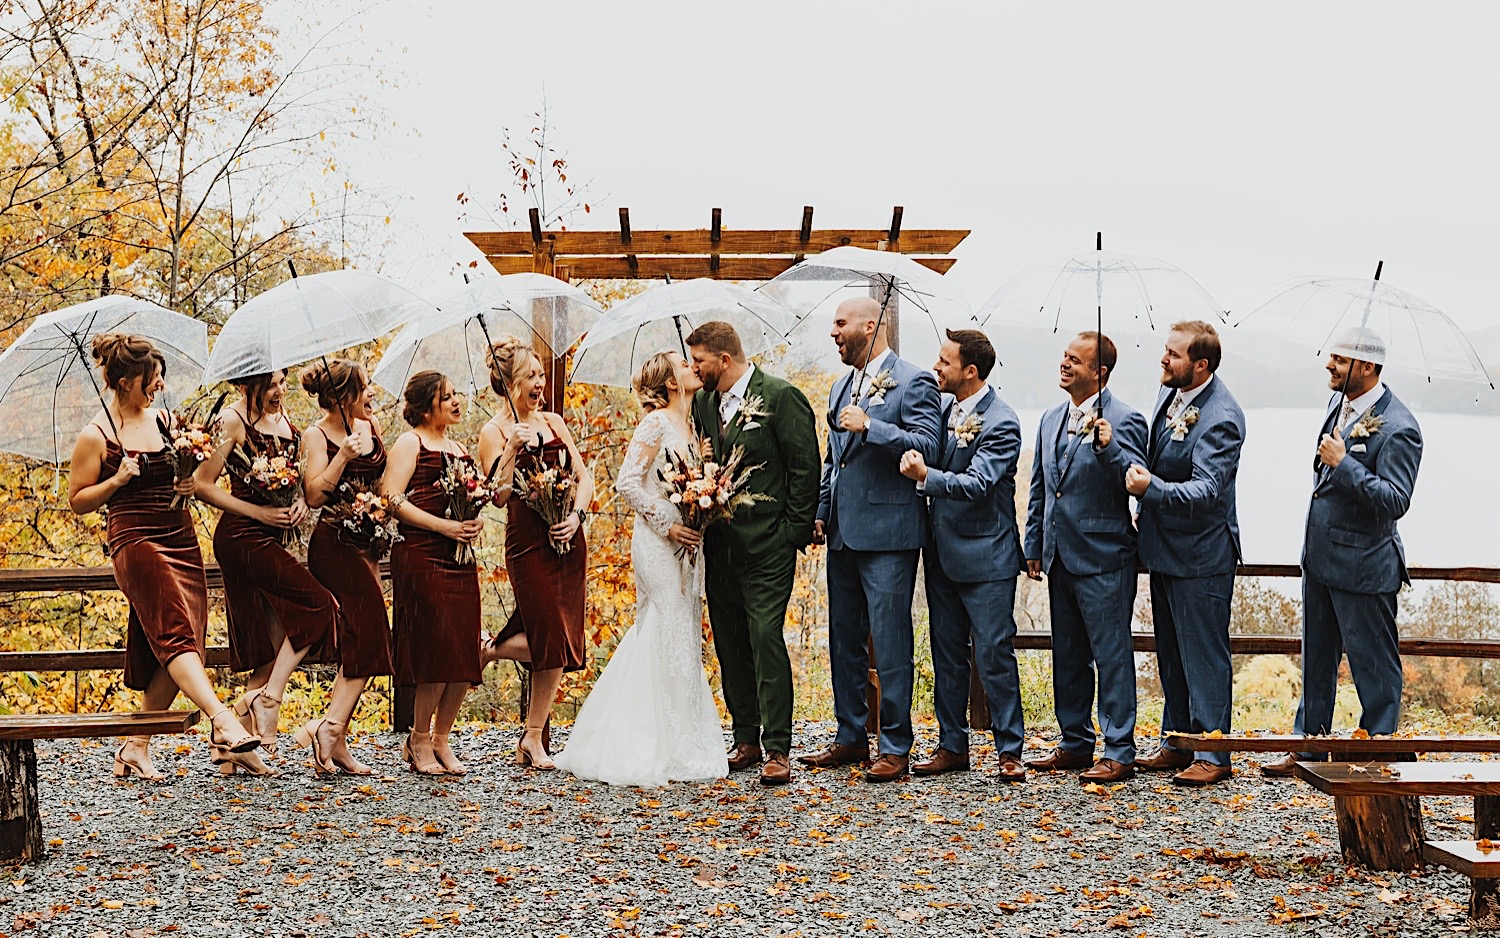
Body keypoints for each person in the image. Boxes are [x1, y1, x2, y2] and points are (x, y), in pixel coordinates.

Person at [67, 333, 265, 778]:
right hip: (135, 539)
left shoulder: (164, 420)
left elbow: (190, 470)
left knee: (183, 640)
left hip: (179, 533)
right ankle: (223, 721)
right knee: (176, 631)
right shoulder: (95, 435)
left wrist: (186, 479)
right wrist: (116, 480)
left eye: (158, 379)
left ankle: (135, 747)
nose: (157, 386)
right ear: (123, 381)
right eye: (149, 379)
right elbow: (77, 499)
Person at [553, 352, 728, 786]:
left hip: (688, 541)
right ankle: (650, 743)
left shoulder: (691, 426)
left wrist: (704, 471)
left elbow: (684, 480)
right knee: (665, 623)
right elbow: (628, 482)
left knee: (682, 627)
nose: (694, 368)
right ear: (671, 381)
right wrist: (668, 526)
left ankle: (682, 739)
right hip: (658, 541)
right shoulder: (654, 424)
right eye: (685, 365)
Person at [1263, 330, 1422, 777]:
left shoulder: (1401, 427)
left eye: (1338, 359)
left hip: (1365, 565)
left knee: (1374, 665)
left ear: (1367, 367)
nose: (1328, 365)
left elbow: (1395, 500)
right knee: (1317, 660)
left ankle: (1377, 750)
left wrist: (1345, 463)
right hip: (1320, 560)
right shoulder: (1339, 408)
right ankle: (1308, 747)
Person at [802, 297, 942, 783]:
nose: (834, 333)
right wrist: (821, 513)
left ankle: (896, 745)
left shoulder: (915, 379)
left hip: (888, 534)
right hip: (842, 532)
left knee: (890, 639)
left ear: (870, 324)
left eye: (839, 323)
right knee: (844, 641)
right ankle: (849, 737)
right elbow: (832, 461)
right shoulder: (841, 385)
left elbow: (929, 444)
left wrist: (874, 426)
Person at [686, 321, 820, 787]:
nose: (693, 368)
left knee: (764, 636)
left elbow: (805, 468)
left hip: (769, 546)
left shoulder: (781, 397)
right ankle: (745, 737)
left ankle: (778, 747)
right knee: (729, 641)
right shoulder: (702, 403)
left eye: (698, 360)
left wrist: (791, 533)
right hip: (719, 546)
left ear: (724, 360)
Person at [898, 329, 1027, 782]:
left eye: (944, 362)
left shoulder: (1003, 421)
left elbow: (976, 485)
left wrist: (925, 475)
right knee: (946, 653)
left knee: (993, 653)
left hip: (987, 557)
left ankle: (1010, 750)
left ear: (970, 371)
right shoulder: (945, 410)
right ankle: (953, 746)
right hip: (941, 555)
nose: (936, 367)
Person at [195, 369, 338, 763]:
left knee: (275, 644)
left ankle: (232, 742)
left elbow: (296, 484)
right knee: (318, 605)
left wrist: (300, 504)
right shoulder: (232, 421)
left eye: (283, 382)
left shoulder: (285, 421)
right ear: (247, 385)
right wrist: (258, 511)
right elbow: (203, 484)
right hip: (241, 536)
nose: (280, 391)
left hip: (274, 535)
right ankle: (267, 701)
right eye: (271, 384)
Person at [1023, 332, 1148, 783]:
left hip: (1104, 557)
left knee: (1111, 655)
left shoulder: (1126, 419)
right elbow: (1041, 487)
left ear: (1101, 373)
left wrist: (1108, 446)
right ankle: (1075, 742)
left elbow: (1136, 481)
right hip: (1059, 556)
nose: (1064, 365)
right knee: (1068, 655)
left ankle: (1119, 749)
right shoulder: (1050, 419)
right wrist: (1034, 544)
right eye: (1063, 357)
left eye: (1074, 361)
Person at [1127, 320, 1245, 787]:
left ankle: (1213, 754)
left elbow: (1208, 490)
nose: (1163, 359)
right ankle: (1177, 743)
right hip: (1162, 548)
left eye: (1173, 354)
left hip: (1202, 555)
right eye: (1165, 350)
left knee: (1204, 654)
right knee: (1171, 652)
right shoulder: (1169, 395)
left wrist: (1150, 489)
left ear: (1201, 364)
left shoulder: (1222, 416)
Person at [478, 336, 593, 771]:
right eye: (531, 376)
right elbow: (498, 496)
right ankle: (491, 649)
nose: (540, 384)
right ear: (509, 383)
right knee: (549, 637)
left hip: (568, 540)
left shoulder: (555, 422)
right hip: (528, 544)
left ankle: (532, 738)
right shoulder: (493, 431)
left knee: (564, 639)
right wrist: (509, 449)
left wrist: (577, 516)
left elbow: (585, 479)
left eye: (541, 375)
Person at [383, 370, 483, 775]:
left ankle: (442, 737)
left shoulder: (459, 447)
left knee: (464, 645)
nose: (457, 402)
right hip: (423, 553)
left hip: (460, 555)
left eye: (456, 394)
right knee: (435, 644)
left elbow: (472, 496)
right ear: (426, 406)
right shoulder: (411, 443)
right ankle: (418, 738)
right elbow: (390, 498)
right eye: (447, 397)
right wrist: (444, 526)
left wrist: (471, 519)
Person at [297, 360, 392, 775]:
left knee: (362, 636)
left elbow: (382, 482)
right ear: (346, 395)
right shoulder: (316, 435)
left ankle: (336, 738)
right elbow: (315, 495)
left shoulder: (369, 427)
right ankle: (329, 729)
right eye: (366, 387)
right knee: (370, 633)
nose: (372, 394)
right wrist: (343, 455)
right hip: (334, 544)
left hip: (366, 540)